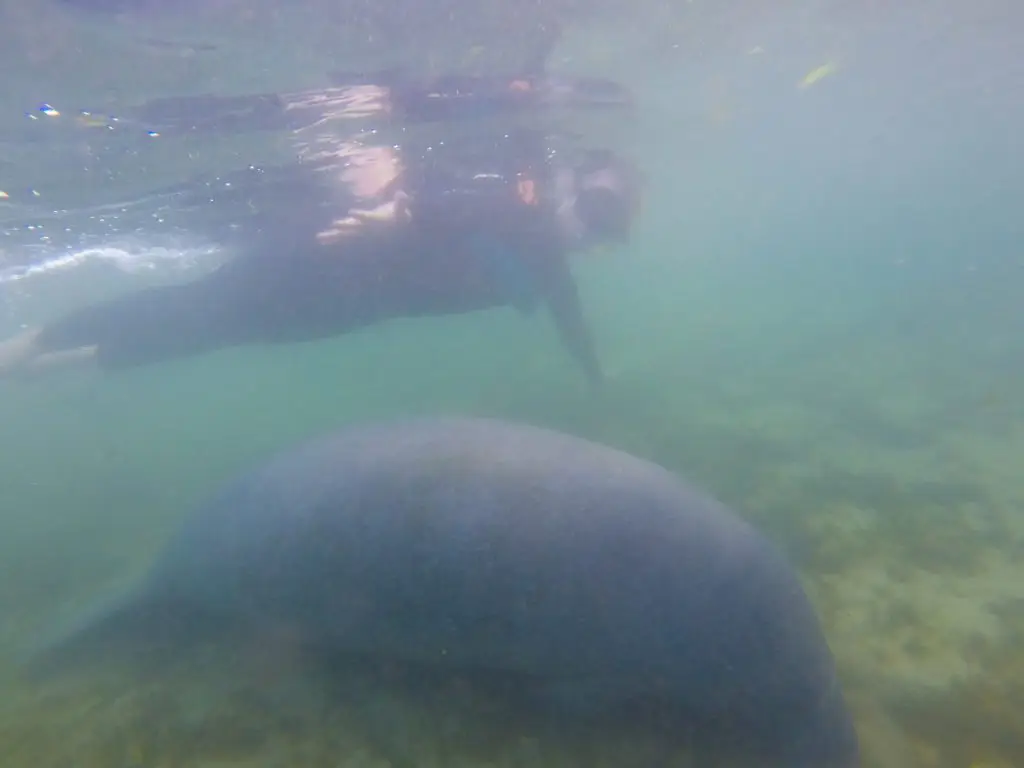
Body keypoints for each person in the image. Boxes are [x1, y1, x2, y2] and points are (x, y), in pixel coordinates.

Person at [0, 129, 642, 384]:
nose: (591, 238)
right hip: (324, 265)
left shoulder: (548, 254)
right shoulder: (522, 207)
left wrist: (596, 376)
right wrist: (398, 213)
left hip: (342, 303)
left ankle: (59, 360)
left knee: (211, 328)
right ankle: (35, 346)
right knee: (198, 311)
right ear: (573, 192)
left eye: (606, 233)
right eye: (598, 218)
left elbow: (570, 317)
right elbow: (455, 203)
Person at [120, 68, 634, 137]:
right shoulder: (504, 92)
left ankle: (163, 116)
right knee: (258, 112)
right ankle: (157, 116)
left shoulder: (507, 96)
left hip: (380, 104)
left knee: (256, 115)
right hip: (373, 102)